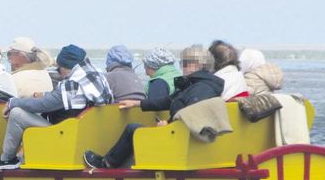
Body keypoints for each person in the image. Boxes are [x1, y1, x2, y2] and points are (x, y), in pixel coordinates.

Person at [83, 44, 224, 169]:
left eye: (185, 63)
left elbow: (192, 115)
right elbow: (170, 100)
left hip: (178, 139)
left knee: (133, 129)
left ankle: (107, 163)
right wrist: (138, 103)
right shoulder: (198, 84)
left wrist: (168, 125)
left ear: (198, 65)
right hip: (181, 136)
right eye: (182, 63)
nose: (182, 66)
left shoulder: (200, 88)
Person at [0, 44, 112, 170]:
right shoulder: (97, 77)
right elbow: (62, 99)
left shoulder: (73, 84)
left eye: (58, 69)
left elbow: (43, 105)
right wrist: (45, 95)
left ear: (66, 67)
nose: (59, 73)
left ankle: (7, 159)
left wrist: (12, 102)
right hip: (87, 137)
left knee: (17, 114)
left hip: (66, 138)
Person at [114, 47, 179, 110]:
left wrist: (135, 103)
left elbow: (154, 107)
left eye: (145, 66)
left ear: (152, 65)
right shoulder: (179, 76)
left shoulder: (158, 82)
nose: (146, 73)